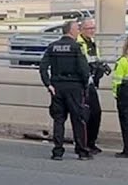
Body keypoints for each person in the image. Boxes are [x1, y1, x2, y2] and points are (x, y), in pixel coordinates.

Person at [39, 19, 92, 161]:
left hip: (57, 87)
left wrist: (48, 84)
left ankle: (58, 151)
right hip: (74, 87)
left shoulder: (52, 46)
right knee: (78, 119)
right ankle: (82, 151)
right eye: (77, 29)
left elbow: (43, 67)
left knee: (59, 120)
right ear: (70, 31)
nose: (79, 31)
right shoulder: (76, 47)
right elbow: (84, 69)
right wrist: (85, 85)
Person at [76, 17, 108, 154]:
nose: (92, 31)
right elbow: (81, 63)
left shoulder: (91, 42)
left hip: (92, 82)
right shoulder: (79, 43)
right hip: (83, 84)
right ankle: (85, 143)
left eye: (93, 28)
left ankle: (91, 142)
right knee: (87, 114)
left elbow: (94, 59)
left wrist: (100, 66)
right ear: (81, 29)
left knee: (96, 113)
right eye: (89, 28)